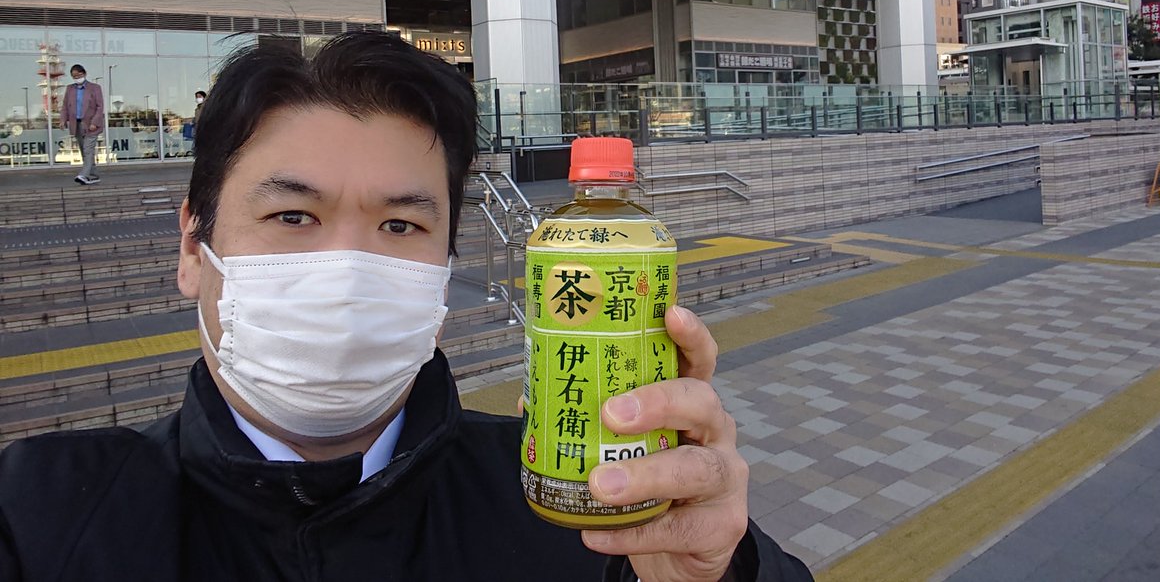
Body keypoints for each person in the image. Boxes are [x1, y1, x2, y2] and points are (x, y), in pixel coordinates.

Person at [0, 33, 814, 582]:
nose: (347, 270)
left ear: (446, 269)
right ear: (192, 247)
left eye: (400, 225)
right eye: (293, 216)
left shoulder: (574, 506)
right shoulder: (41, 516)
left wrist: (719, 571)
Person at [58, 62, 104, 185]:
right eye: (74, 76)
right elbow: (65, 106)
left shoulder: (95, 88)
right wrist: (63, 120)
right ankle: (94, 175)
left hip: (91, 125)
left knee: (88, 149)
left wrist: (95, 122)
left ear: (84, 74)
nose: (77, 78)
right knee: (84, 151)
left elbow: (100, 107)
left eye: (79, 75)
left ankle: (83, 175)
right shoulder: (70, 89)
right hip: (76, 124)